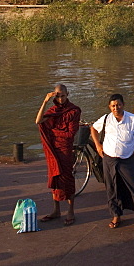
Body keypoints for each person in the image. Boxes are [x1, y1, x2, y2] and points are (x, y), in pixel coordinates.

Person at [91, 93, 134, 230]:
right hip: (109, 159)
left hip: (127, 159)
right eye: (113, 105)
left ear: (123, 105)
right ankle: (116, 215)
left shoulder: (132, 119)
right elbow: (93, 129)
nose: (116, 108)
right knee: (112, 188)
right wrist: (98, 146)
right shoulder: (106, 119)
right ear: (109, 106)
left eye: (118, 105)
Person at [35, 83, 81, 225]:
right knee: (54, 177)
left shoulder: (74, 111)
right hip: (52, 150)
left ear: (68, 95)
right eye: (58, 96)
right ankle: (56, 210)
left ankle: (71, 211)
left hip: (65, 149)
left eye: (63, 96)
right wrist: (45, 101)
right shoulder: (53, 110)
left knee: (67, 179)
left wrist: (53, 132)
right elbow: (38, 121)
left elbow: (70, 133)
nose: (60, 99)